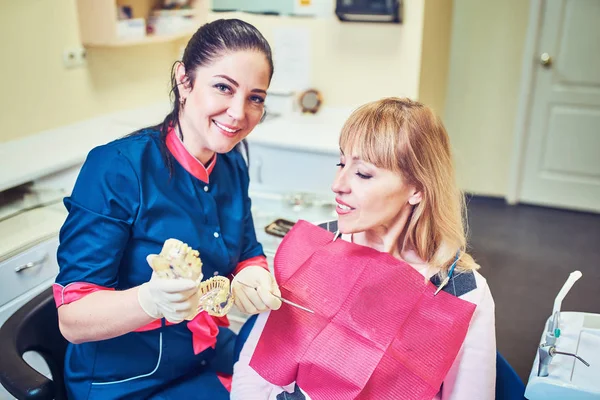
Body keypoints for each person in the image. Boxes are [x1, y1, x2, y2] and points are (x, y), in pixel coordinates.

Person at [53, 18, 282, 399]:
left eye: (255, 98)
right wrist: (149, 300)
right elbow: (73, 320)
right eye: (223, 87)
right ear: (184, 80)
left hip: (202, 351)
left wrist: (251, 275)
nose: (239, 113)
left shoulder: (230, 162)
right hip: (128, 379)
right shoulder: (118, 168)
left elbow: (246, 252)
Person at [231, 98, 496, 399]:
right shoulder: (316, 247)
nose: (338, 184)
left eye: (363, 174)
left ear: (417, 189)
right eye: (341, 164)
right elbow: (255, 373)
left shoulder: (460, 293)